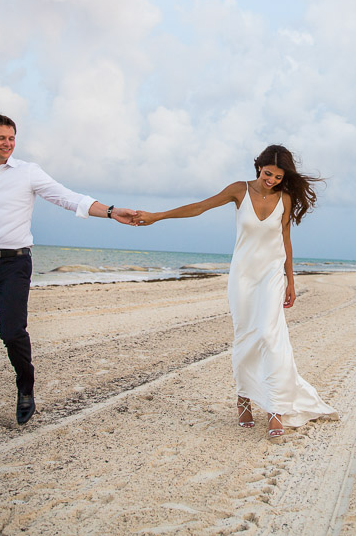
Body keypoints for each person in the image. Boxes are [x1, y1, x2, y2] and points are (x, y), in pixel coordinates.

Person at [0, 114, 136, 438]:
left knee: (13, 334)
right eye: (1, 138)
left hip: (14, 264)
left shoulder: (28, 172)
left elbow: (65, 196)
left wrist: (111, 212)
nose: (8, 144)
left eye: (12, 138)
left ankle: (25, 387)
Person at [133, 144, 337, 441]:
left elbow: (285, 239)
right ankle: (243, 398)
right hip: (242, 276)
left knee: (269, 336)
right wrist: (158, 216)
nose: (272, 180)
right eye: (269, 174)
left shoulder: (285, 198)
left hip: (270, 275)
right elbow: (200, 207)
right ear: (259, 167)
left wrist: (290, 280)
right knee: (245, 337)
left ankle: (275, 408)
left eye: (278, 177)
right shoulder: (239, 190)